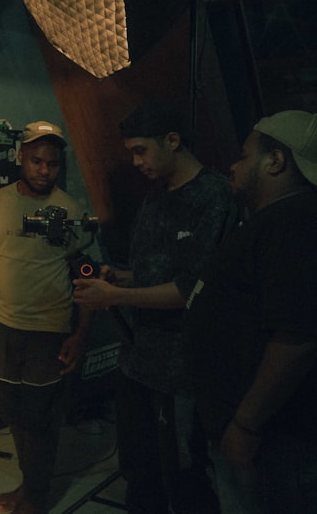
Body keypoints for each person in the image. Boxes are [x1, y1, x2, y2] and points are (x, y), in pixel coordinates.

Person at [72, 101, 237, 514]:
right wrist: (118, 277)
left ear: (173, 141)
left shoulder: (214, 197)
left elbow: (190, 289)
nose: (135, 161)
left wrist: (115, 297)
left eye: (141, 150)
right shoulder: (155, 199)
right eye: (131, 152)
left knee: (184, 477)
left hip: (181, 371)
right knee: (139, 469)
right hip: (137, 363)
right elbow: (153, 273)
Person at [185, 109, 317, 513]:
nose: (233, 164)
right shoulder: (274, 221)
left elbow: (296, 336)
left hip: (273, 438)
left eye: (244, 155)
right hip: (252, 431)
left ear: (275, 160)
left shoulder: (295, 222)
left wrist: (245, 425)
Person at [0, 121, 92, 514]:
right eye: (36, 160)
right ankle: (28, 484)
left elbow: (86, 278)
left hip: (49, 330)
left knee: (39, 418)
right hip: (2, 326)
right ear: (21, 157)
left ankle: (37, 495)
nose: (43, 170)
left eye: (51, 164)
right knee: (11, 411)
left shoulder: (70, 211)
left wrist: (80, 335)